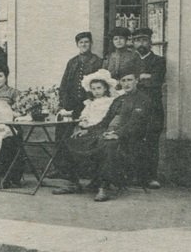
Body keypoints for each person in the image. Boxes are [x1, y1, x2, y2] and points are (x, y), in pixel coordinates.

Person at [52, 68, 153, 201]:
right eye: (123, 80)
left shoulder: (142, 99)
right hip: (107, 133)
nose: (126, 83)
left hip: (131, 138)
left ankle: (103, 187)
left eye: (130, 80)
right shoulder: (118, 99)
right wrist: (88, 130)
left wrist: (117, 134)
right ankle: (73, 182)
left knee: (108, 145)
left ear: (136, 81)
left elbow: (135, 123)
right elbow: (105, 121)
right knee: (71, 141)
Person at [132, 27, 166, 189]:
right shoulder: (130, 61)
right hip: (134, 107)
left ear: (150, 42)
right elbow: (124, 83)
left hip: (153, 108)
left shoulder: (159, 61)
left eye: (144, 40)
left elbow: (156, 82)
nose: (141, 44)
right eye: (138, 40)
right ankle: (135, 176)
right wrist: (143, 78)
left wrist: (137, 80)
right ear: (133, 43)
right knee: (134, 140)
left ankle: (151, 177)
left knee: (151, 142)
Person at [57, 32, 104, 121]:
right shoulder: (72, 62)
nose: (84, 44)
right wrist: (63, 101)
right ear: (77, 45)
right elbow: (64, 83)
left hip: (89, 102)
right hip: (71, 103)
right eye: (81, 42)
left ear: (91, 43)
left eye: (86, 42)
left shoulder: (98, 61)